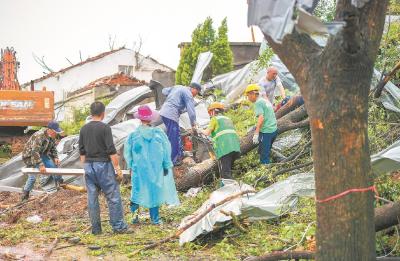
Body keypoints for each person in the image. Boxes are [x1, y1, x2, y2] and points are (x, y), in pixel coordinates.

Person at [79, 101, 130, 235]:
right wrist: (117, 168)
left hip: (89, 165)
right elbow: (111, 151)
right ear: (103, 113)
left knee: (92, 198)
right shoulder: (105, 128)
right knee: (113, 196)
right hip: (103, 166)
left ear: (91, 113)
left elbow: (82, 152)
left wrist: (85, 169)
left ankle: (96, 229)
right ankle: (118, 227)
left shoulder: (83, 129)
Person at [124, 105, 179, 225]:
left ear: (139, 118)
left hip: (139, 170)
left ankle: (134, 217)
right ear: (150, 118)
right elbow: (166, 150)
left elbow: (127, 153)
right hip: (155, 169)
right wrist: (166, 164)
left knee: (137, 191)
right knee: (154, 191)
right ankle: (155, 219)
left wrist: (130, 166)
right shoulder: (158, 134)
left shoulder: (133, 136)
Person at [159, 82, 201, 166]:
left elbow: (164, 91)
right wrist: (193, 125)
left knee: (176, 135)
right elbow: (191, 111)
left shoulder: (178, 87)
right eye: (197, 93)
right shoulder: (188, 93)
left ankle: (180, 155)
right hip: (171, 114)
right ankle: (174, 161)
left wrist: (173, 98)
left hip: (164, 112)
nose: (195, 95)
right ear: (193, 89)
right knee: (173, 138)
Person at [21, 120, 64, 201]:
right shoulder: (39, 136)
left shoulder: (51, 137)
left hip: (42, 154)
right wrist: (41, 165)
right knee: (32, 178)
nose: (57, 134)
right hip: (30, 157)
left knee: (55, 168)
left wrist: (56, 157)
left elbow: (53, 148)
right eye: (55, 132)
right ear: (50, 130)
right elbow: (34, 151)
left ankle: (60, 186)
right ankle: (25, 194)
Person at [202, 102, 241, 180]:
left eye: (210, 112)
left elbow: (206, 133)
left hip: (224, 149)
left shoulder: (214, 119)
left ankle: (231, 190)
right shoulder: (228, 119)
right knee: (228, 172)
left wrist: (198, 130)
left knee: (225, 174)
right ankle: (228, 187)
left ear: (214, 111)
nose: (210, 115)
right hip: (235, 148)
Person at [245, 84, 278, 164]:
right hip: (274, 130)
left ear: (253, 93)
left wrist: (256, 133)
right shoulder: (265, 100)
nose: (248, 98)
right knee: (264, 149)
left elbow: (261, 118)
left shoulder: (258, 103)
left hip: (267, 132)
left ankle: (266, 172)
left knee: (264, 156)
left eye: (248, 95)